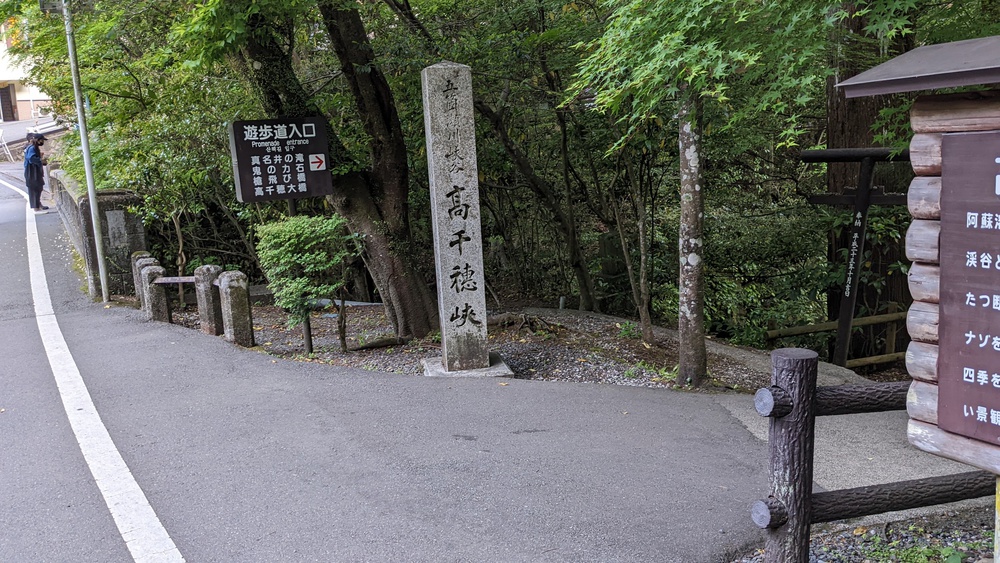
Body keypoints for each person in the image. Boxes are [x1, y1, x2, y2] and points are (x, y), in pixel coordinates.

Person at [24, 133, 49, 213]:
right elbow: (31, 158)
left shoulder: (33, 147)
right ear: (38, 140)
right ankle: (36, 208)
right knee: (35, 188)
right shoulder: (32, 147)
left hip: (34, 170)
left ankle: (38, 205)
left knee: (39, 187)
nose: (42, 142)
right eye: (42, 140)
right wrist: (40, 161)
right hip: (32, 171)